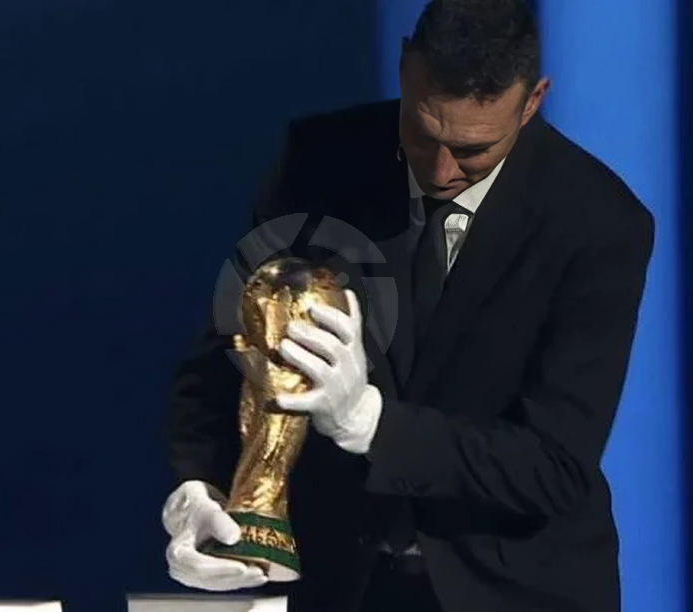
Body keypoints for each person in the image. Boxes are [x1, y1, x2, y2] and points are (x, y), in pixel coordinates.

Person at [162, 0, 654, 610]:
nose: (443, 171)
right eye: (423, 135)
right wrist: (200, 489)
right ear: (403, 68)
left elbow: (552, 464)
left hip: (511, 589)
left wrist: (368, 423)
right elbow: (226, 356)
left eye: (473, 150)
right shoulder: (316, 161)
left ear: (533, 101)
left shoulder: (598, 222)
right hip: (339, 582)